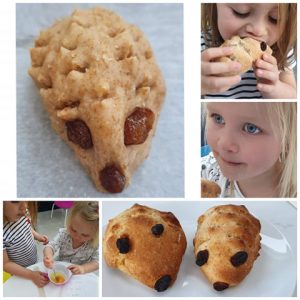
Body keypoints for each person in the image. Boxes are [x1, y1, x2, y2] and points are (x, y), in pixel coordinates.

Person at [201, 3, 296, 99]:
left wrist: (275, 89)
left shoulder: (282, 51)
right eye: (241, 12)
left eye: (274, 19)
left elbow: (293, 97)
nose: (258, 30)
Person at [201, 102, 296, 197]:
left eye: (251, 128)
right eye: (218, 118)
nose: (224, 144)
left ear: (287, 140)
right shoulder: (202, 174)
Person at [43, 201, 99, 274]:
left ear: (95, 234)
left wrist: (83, 268)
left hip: (78, 273)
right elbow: (50, 246)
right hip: (60, 268)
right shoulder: (64, 234)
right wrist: (48, 255)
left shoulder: (94, 244)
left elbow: (97, 262)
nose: (77, 236)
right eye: (73, 230)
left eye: (84, 235)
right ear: (69, 222)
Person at [3, 201, 49, 287]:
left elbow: (27, 227)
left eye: (26, 200)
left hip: (34, 260)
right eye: (15, 201)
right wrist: (31, 275)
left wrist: (38, 236)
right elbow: (5, 264)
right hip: (20, 272)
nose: (24, 206)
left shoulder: (23, 212)